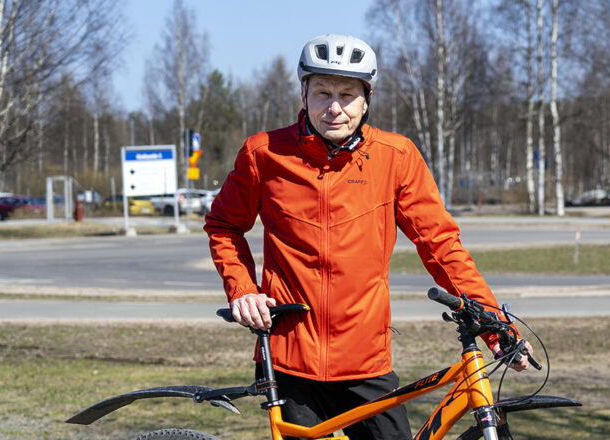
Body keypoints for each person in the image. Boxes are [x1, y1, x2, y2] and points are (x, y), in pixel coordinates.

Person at [204, 34, 529, 440]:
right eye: (322, 92)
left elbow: (441, 246)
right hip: (289, 360)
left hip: (366, 364)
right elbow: (223, 225)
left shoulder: (396, 157)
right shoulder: (264, 153)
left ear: (366, 99)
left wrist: (495, 326)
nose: (334, 107)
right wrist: (242, 290)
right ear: (304, 93)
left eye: (347, 93)